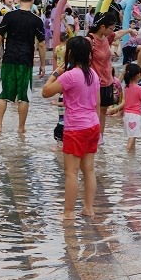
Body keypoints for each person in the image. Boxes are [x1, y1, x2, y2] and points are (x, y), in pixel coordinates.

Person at [41, 36, 100, 219]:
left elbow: (45, 92)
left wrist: (56, 73)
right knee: (89, 169)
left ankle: (68, 212)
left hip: (76, 128)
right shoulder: (93, 74)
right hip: (93, 125)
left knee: (71, 172)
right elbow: (96, 103)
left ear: (71, 54)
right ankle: (89, 209)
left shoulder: (70, 75)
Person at [0, 0, 47, 133]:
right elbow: (41, 43)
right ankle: (21, 128)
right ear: (33, 0)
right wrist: (42, 63)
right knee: (24, 96)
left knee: (3, 93)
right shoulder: (36, 20)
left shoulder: (9, 16)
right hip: (25, 60)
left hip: (9, 58)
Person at [114, 62, 141, 153]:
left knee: (132, 135)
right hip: (135, 115)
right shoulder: (140, 89)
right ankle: (127, 152)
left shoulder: (126, 87)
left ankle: (132, 153)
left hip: (127, 115)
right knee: (132, 137)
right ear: (138, 75)